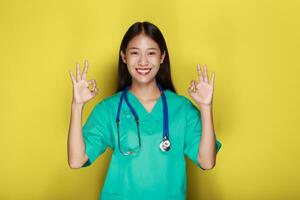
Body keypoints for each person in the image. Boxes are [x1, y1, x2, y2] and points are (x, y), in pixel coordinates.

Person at [67, 21, 222, 200]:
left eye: (151, 53)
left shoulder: (182, 108)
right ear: (124, 57)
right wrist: (77, 106)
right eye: (134, 53)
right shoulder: (109, 109)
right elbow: (76, 160)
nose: (143, 61)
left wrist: (206, 107)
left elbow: (207, 161)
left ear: (162, 56)